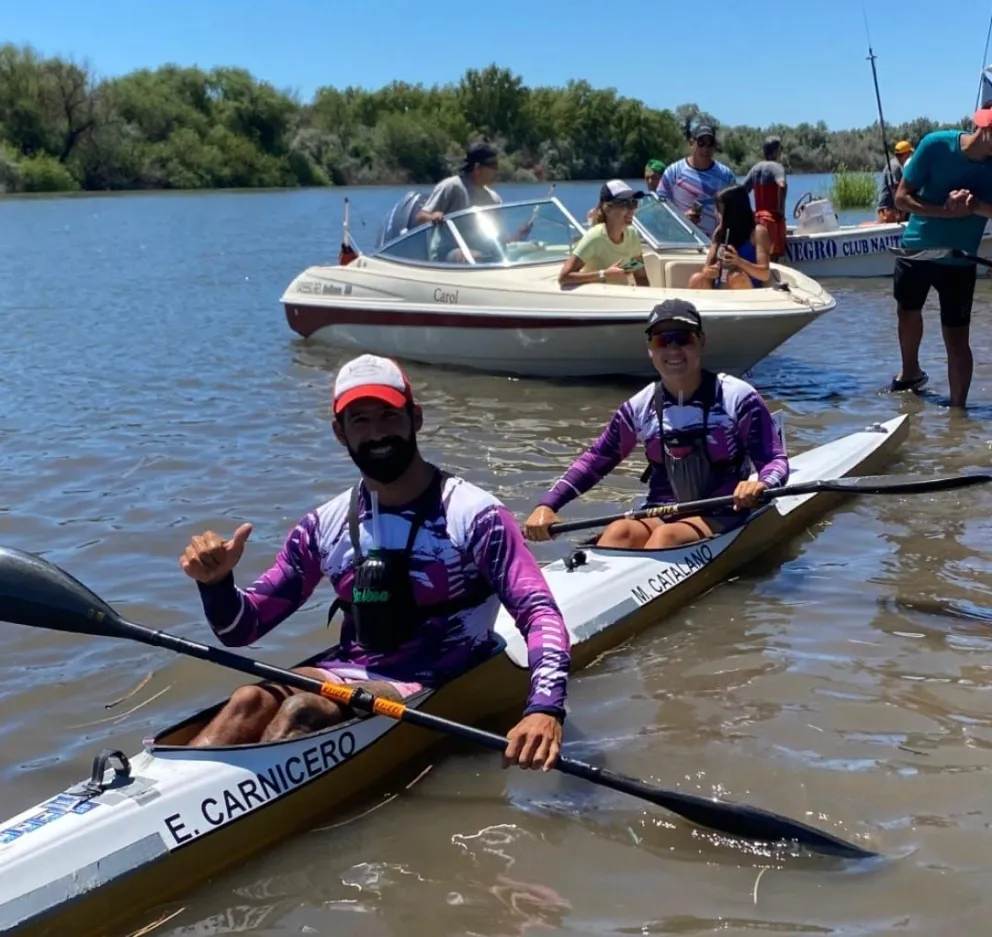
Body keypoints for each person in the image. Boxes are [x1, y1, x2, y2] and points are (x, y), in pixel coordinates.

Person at [179, 354, 570, 771]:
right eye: (360, 421)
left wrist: (544, 708)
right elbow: (241, 629)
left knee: (300, 712)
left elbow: (539, 613)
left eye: (388, 415)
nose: (377, 432)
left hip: (437, 676)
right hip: (349, 671)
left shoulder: (475, 515)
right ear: (339, 432)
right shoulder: (322, 526)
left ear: (415, 418)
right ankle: (181, 791)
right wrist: (217, 584)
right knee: (248, 700)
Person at [522, 300, 789, 550]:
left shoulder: (737, 397)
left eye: (683, 339)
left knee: (666, 537)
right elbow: (595, 461)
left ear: (701, 342)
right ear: (651, 349)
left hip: (723, 510)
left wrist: (762, 485)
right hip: (662, 510)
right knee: (618, 532)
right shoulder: (640, 406)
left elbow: (775, 460)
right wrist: (547, 505)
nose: (673, 350)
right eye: (663, 341)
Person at [891, 106, 992, 407]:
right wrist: (943, 212)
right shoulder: (935, 145)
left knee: (957, 337)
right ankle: (910, 372)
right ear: (985, 128)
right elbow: (901, 198)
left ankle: (958, 414)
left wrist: (974, 206)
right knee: (907, 313)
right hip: (916, 249)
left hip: (960, 260)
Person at [559, 180, 649, 286]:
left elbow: (641, 276)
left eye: (633, 203)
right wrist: (604, 274)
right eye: (625, 204)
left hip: (622, 298)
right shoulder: (595, 237)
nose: (631, 209)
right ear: (607, 208)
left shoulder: (631, 235)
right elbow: (564, 277)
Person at [687, 184, 772, 290]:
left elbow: (765, 274)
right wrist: (711, 270)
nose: (716, 213)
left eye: (719, 210)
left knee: (736, 277)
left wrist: (738, 261)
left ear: (733, 211)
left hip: (744, 286)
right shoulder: (720, 231)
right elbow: (706, 267)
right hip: (721, 284)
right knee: (697, 279)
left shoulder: (758, 232)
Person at [658, 125, 737, 237]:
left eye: (710, 143)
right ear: (691, 143)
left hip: (714, 243)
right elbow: (660, 209)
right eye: (701, 142)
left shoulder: (726, 175)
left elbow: (737, 211)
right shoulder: (673, 172)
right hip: (680, 241)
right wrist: (682, 219)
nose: (705, 148)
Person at [415, 142, 503, 225]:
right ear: (477, 168)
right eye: (494, 166)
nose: (497, 171)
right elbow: (421, 217)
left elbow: (498, 238)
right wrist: (432, 217)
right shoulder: (452, 186)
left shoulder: (494, 199)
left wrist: (516, 236)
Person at [742, 136, 788, 261]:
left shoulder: (755, 168)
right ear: (776, 151)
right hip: (773, 220)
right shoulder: (777, 167)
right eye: (780, 149)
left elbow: (742, 191)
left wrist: (749, 213)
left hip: (758, 220)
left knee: (761, 259)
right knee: (773, 260)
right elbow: (782, 185)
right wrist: (781, 211)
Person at [876, 140, 914, 224]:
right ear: (905, 154)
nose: (910, 156)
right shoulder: (895, 166)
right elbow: (895, 189)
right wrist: (900, 211)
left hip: (889, 209)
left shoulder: (895, 165)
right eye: (909, 154)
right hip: (889, 210)